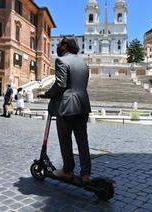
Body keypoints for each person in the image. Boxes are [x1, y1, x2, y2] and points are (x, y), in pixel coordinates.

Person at [38, 37, 92, 183]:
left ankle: (67, 170)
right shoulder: (83, 64)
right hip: (83, 104)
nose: (59, 46)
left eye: (60, 44)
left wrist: (47, 94)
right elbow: (83, 85)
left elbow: (61, 84)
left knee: (65, 139)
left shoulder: (61, 61)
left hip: (67, 105)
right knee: (82, 140)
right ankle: (86, 174)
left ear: (65, 46)